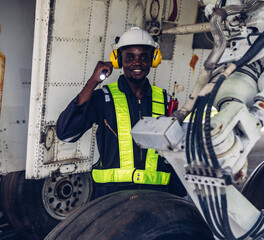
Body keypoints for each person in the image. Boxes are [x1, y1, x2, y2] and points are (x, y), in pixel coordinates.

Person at [56, 27, 186, 198]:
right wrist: (92, 82)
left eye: (143, 57)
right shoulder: (103, 98)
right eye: (129, 57)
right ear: (118, 60)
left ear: (153, 59)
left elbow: (177, 151)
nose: (137, 63)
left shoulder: (165, 100)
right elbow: (66, 133)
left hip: (157, 195)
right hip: (111, 195)